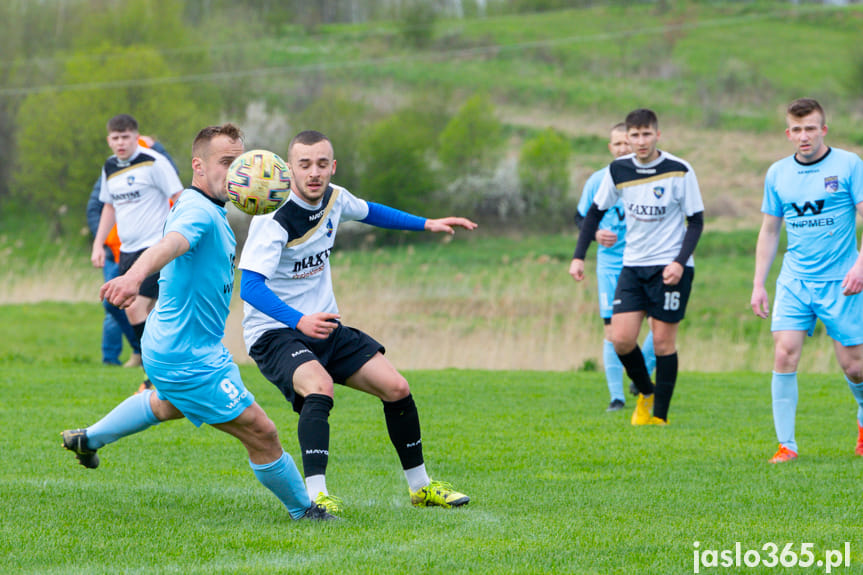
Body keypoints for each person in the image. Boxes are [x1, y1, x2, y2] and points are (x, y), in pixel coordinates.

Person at [62, 123, 335, 521]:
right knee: (262, 432)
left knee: (168, 403)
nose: (238, 172)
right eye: (227, 162)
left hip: (182, 344)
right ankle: (305, 511)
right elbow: (172, 243)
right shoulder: (196, 211)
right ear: (198, 166)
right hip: (184, 353)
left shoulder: (212, 209)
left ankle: (89, 439)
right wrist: (134, 277)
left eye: (240, 162)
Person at [238, 130, 476, 514]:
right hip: (275, 332)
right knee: (320, 386)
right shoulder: (273, 217)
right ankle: (315, 497)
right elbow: (249, 287)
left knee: (397, 387)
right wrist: (299, 321)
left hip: (325, 326)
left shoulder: (335, 198)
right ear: (289, 169)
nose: (314, 173)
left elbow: (372, 211)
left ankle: (421, 488)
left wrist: (427, 224)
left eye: (321, 164)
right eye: (304, 164)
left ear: (332, 166)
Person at [569, 108, 705, 426]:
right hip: (633, 266)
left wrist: (679, 262)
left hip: (670, 267)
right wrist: (579, 256)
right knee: (621, 339)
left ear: (657, 135)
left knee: (662, 342)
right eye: (635, 135)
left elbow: (696, 221)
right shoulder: (618, 171)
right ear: (627, 139)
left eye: (646, 134)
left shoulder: (679, 170)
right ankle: (646, 391)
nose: (641, 141)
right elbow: (592, 213)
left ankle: (659, 417)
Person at [750, 97, 863, 463]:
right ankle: (787, 446)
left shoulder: (849, 165)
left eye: (810, 128)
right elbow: (769, 230)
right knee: (784, 353)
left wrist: (861, 264)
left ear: (823, 130)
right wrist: (758, 283)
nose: (804, 136)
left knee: (855, 366)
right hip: (795, 280)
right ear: (788, 133)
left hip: (843, 281)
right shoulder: (777, 174)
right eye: (796, 129)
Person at [90, 115, 184, 389]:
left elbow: (179, 198)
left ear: (136, 136)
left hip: (154, 247)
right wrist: (99, 244)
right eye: (115, 138)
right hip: (127, 252)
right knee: (135, 310)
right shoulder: (109, 167)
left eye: (125, 137)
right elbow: (108, 207)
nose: (120, 143)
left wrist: (180, 237)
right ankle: (161, 370)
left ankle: (152, 376)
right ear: (109, 140)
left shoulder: (154, 161)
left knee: (138, 306)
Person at [575, 122, 656, 412]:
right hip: (610, 266)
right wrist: (595, 234)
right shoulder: (599, 180)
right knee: (612, 332)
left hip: (646, 262)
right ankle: (616, 398)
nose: (623, 148)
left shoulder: (650, 178)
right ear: (610, 148)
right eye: (617, 144)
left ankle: (640, 373)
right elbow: (581, 217)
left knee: (657, 326)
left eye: (627, 142)